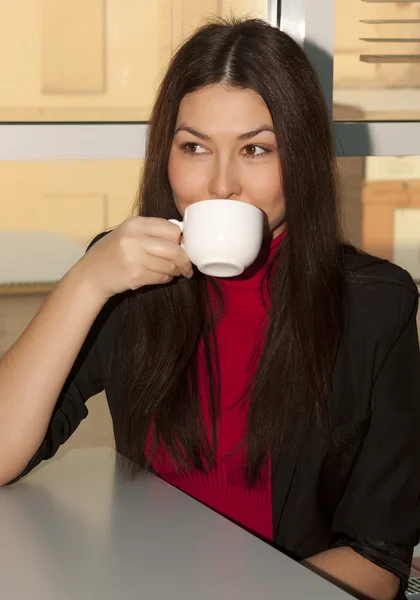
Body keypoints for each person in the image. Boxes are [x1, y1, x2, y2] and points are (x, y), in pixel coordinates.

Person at [0, 17, 419, 600]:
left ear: (300, 158)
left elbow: (378, 557)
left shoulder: (377, 304)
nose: (221, 184)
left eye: (255, 149)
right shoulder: (128, 281)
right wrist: (84, 283)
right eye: (194, 147)